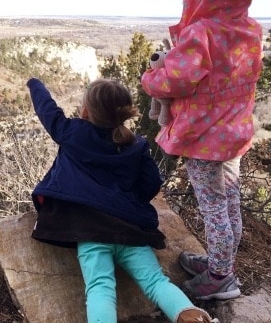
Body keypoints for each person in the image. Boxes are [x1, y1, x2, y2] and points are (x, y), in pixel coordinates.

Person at [27, 77, 213, 323]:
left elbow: (48, 111)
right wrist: (129, 202)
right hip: (130, 230)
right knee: (156, 282)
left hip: (89, 230)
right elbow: (151, 183)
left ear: (85, 112)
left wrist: (35, 84)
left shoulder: (73, 133)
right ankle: (193, 318)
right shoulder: (136, 145)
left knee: (100, 288)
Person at [141, 0, 263, 301]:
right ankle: (219, 264)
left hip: (204, 139)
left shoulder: (202, 33)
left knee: (213, 208)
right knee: (229, 202)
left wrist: (150, 77)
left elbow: (172, 81)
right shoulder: (250, 30)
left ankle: (221, 278)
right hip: (234, 133)